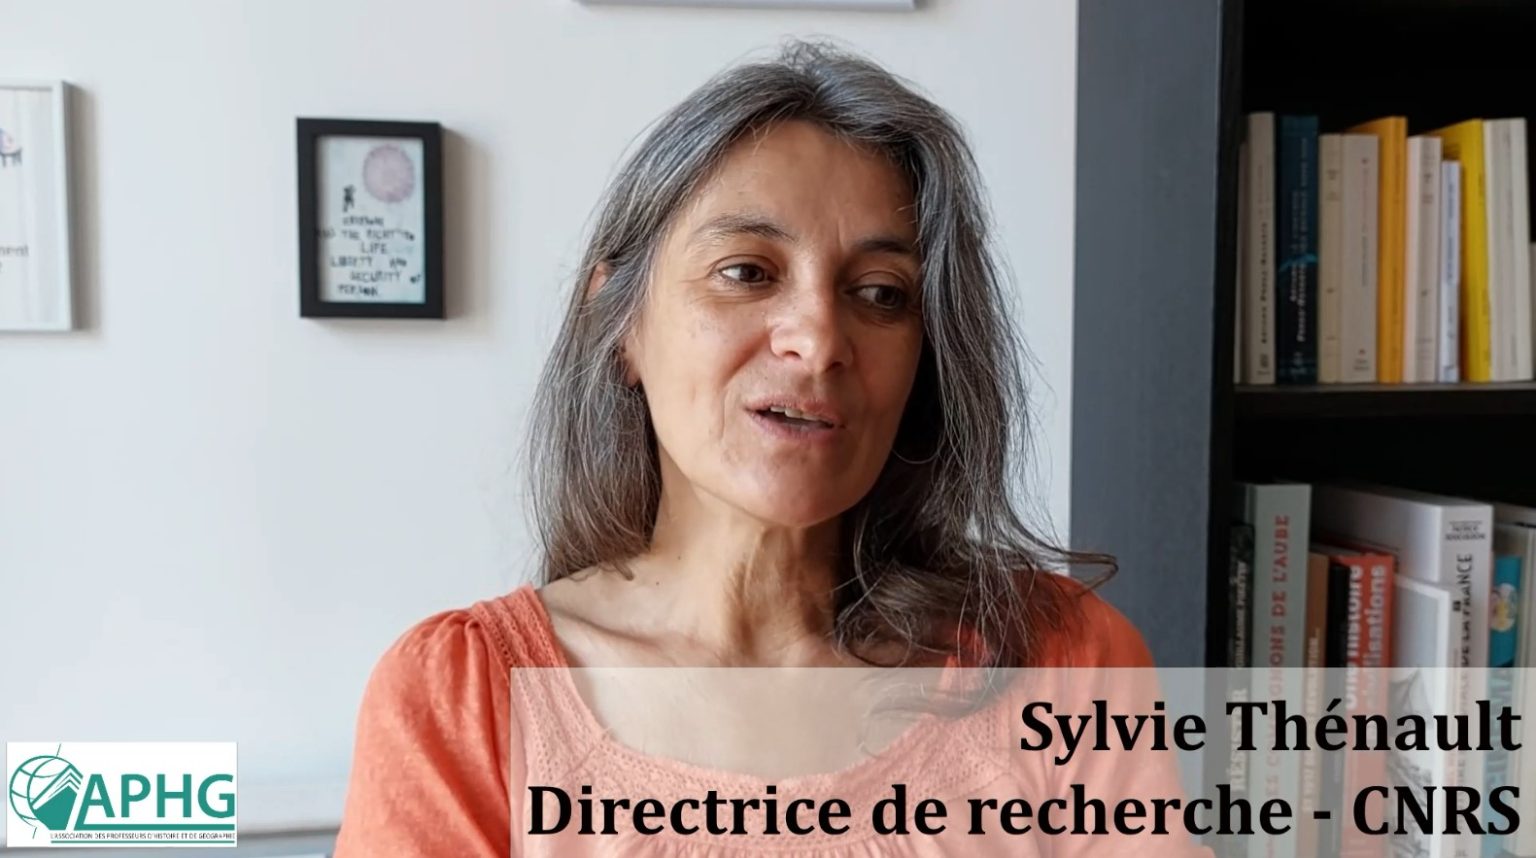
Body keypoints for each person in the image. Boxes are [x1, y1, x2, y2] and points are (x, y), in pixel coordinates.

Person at [334, 39, 1206, 857]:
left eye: (881, 293)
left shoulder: (1060, 666)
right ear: (618, 323)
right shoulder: (463, 698)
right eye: (747, 272)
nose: (819, 340)